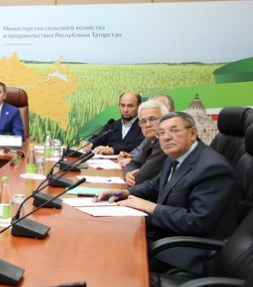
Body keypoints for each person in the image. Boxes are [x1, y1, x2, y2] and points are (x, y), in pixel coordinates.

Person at [96, 112, 238, 273]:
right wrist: (125, 192)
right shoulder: (177, 156)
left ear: (192, 133)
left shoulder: (212, 168)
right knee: (110, 236)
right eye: (161, 133)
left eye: (174, 130)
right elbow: (155, 186)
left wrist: (150, 206)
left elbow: (196, 222)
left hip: (191, 250)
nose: (166, 137)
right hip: (168, 234)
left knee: (116, 259)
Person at [121, 99, 170, 186]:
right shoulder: (150, 139)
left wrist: (131, 176)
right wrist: (128, 174)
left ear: (166, 120)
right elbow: (134, 163)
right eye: (143, 121)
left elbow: (141, 177)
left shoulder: (165, 142)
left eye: (153, 119)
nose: (147, 125)